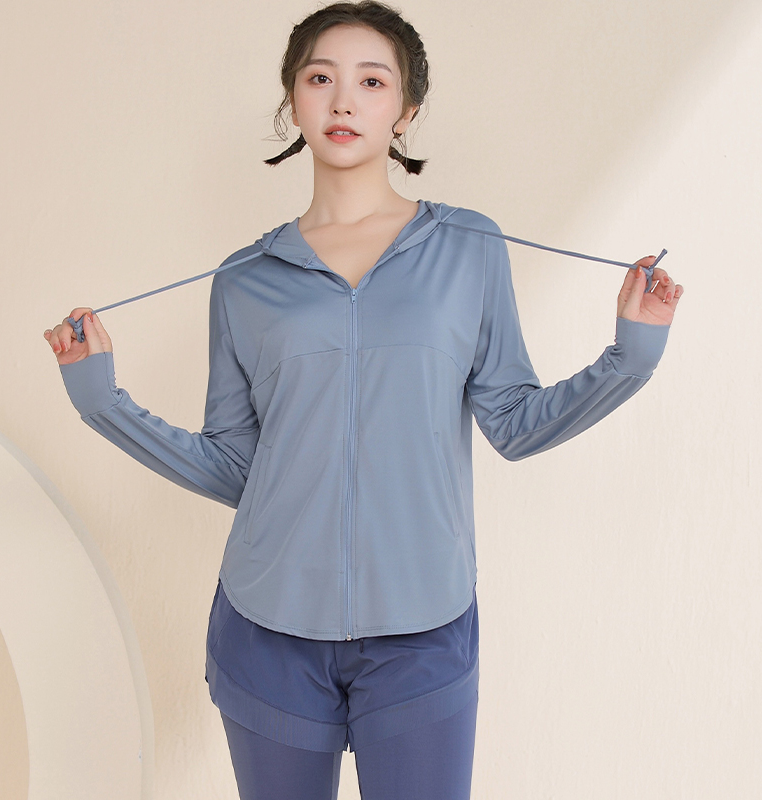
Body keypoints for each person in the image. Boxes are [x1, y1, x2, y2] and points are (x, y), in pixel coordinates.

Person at [43, 2, 683, 798]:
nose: (344, 100)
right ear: (293, 99)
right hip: (267, 629)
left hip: (423, 629)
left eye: (372, 82)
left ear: (405, 109)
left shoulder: (468, 248)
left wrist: (631, 355)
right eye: (321, 79)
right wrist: (101, 402)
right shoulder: (244, 281)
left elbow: (514, 424)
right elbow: (237, 467)